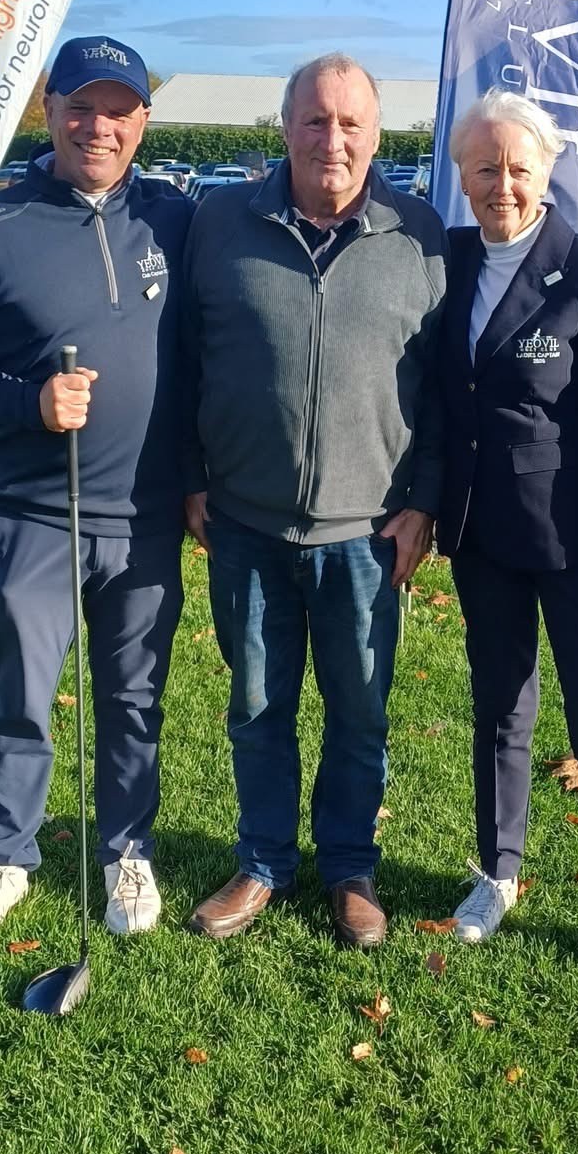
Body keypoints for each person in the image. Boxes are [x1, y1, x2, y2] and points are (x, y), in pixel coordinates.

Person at [0, 36, 192, 943]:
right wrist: (25, 401)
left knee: (134, 699)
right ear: (50, 108)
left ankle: (126, 854)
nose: (98, 126)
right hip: (35, 514)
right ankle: (4, 859)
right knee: (25, 697)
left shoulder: (179, 223)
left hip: (146, 518)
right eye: (82, 105)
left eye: (119, 110)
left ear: (143, 121)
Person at [183, 54, 447, 948]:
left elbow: (449, 389)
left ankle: (349, 869)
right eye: (314, 120)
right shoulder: (219, 223)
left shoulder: (420, 236)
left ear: (377, 134)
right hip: (247, 523)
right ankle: (261, 864)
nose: (331, 140)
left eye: (350, 124)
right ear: (284, 125)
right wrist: (189, 475)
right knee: (258, 707)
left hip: (367, 534)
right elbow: (180, 361)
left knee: (360, 712)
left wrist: (427, 501)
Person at [436, 91, 578, 1008]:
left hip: (577, 548)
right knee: (500, 711)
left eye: (518, 168)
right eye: (484, 169)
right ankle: (498, 874)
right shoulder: (450, 259)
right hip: (481, 539)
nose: (501, 185)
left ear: (546, 174)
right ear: (462, 176)